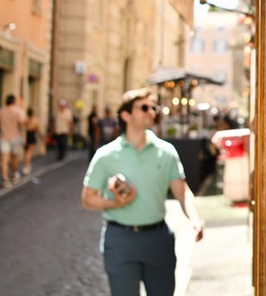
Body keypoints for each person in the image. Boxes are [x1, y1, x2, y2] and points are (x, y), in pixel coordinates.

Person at [81, 88, 204, 296]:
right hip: (120, 240)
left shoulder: (166, 152)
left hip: (159, 239)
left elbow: (182, 191)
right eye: (144, 107)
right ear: (126, 115)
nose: (151, 112)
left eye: (153, 107)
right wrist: (115, 204)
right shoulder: (105, 155)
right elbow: (87, 199)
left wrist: (194, 218)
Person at [0, 94, 26, 187]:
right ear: (13, 101)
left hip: (4, 137)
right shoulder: (18, 111)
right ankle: (14, 174)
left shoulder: (0, 111)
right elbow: (22, 123)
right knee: (15, 157)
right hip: (15, 137)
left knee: (4, 159)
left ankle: (5, 179)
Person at [23, 107, 42, 175]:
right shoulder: (35, 120)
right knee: (29, 152)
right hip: (31, 135)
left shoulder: (25, 120)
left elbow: (23, 128)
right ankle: (27, 166)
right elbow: (38, 129)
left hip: (26, 135)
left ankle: (26, 165)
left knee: (26, 152)